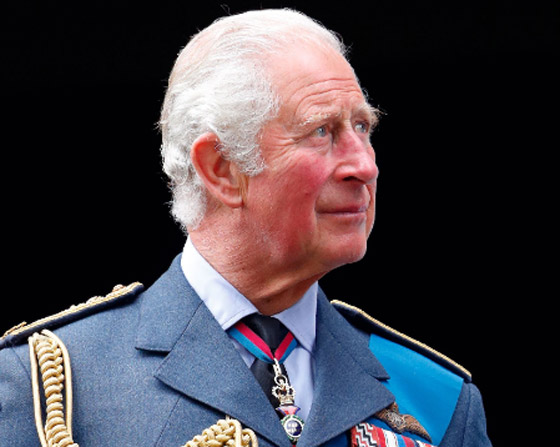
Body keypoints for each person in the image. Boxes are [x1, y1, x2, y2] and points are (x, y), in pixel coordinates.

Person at [0, 9, 491, 447]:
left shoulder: (437, 398)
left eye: (362, 127)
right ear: (220, 169)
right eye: (322, 131)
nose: (364, 166)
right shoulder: (52, 387)